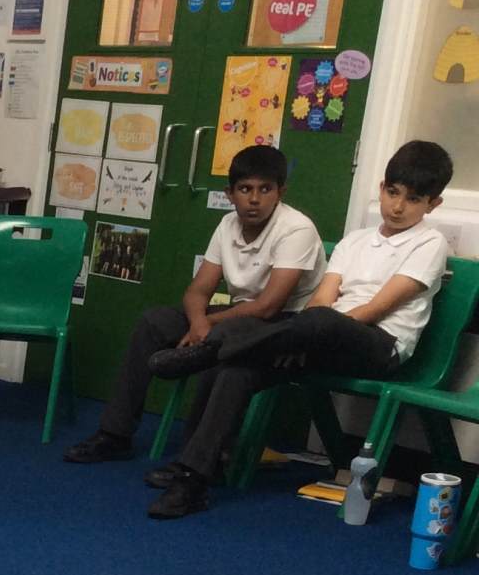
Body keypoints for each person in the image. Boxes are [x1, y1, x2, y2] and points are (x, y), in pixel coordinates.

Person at [145, 139, 453, 519]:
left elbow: (377, 308)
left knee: (313, 322)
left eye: (414, 199)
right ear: (381, 189)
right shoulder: (355, 241)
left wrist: (311, 330)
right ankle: (193, 477)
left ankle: (216, 346)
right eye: (393, 192)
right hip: (321, 337)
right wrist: (303, 336)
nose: (398, 206)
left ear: (433, 204)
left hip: (380, 345)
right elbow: (321, 298)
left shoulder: (430, 243)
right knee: (238, 368)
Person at [65, 145, 326, 470]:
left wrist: (210, 325)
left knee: (223, 337)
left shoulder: (297, 229)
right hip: (237, 315)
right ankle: (114, 435)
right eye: (245, 189)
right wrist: (200, 321)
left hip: (283, 325)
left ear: (280, 193)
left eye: (265, 189)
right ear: (230, 194)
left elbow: (269, 306)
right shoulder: (227, 224)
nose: (254, 199)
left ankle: (195, 459)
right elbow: (198, 291)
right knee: (153, 322)